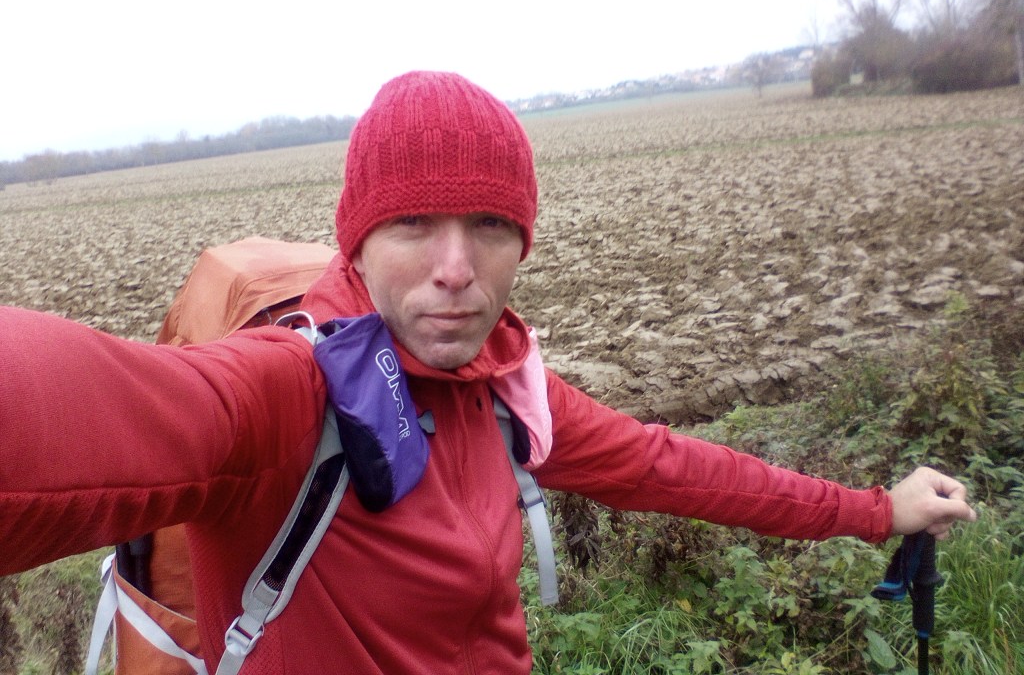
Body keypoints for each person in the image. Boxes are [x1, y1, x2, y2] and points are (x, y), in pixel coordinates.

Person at [0, 71, 976, 674]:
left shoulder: (507, 389)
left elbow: (671, 466)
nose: (456, 269)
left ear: (524, 242)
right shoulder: (281, 394)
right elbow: (89, 407)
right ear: (356, 240)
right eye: (413, 223)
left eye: (491, 225)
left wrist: (871, 511)